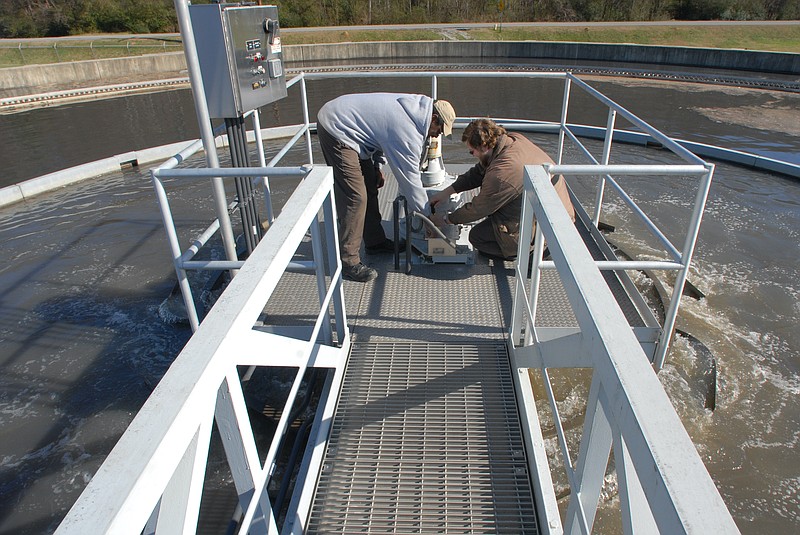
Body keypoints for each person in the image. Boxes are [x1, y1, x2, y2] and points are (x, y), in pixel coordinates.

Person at [317, 93, 456, 282]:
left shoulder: (415, 110)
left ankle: (375, 243)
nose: (437, 135)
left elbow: (379, 131)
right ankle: (349, 262)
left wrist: (377, 167)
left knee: (371, 184)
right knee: (356, 197)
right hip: (337, 127)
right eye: (439, 129)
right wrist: (428, 218)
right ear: (433, 118)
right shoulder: (408, 130)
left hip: (354, 127)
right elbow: (410, 181)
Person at [429, 118, 575, 261]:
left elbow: (479, 208)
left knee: (477, 237)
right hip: (553, 209)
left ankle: (530, 252)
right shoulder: (511, 140)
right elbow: (479, 172)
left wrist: (445, 219)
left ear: (484, 147)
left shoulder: (501, 174)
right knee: (494, 212)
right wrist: (447, 192)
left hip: (551, 228)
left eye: (471, 152)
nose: (472, 155)